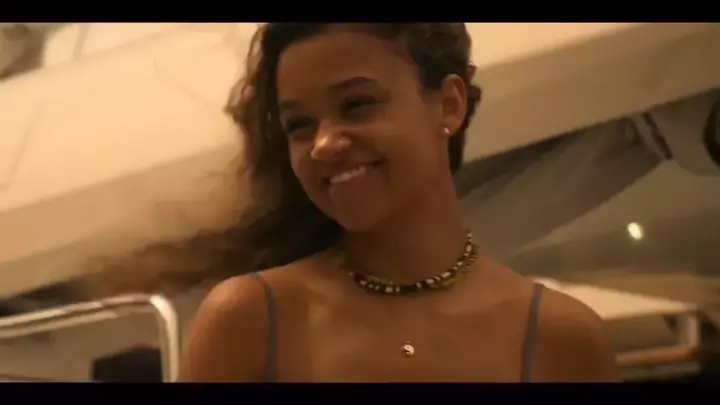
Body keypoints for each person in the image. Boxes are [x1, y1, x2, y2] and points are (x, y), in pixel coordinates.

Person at [102, 23, 619, 382]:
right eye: (299, 125)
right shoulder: (251, 320)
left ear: (449, 104)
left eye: (357, 104)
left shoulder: (560, 337)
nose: (324, 144)